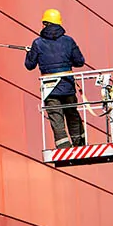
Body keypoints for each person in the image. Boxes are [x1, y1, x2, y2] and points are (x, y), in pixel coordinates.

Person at [24, 8, 86, 149]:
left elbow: (29, 65)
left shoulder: (37, 43)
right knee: (72, 113)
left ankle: (63, 147)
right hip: (67, 86)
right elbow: (79, 62)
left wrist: (29, 53)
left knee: (55, 116)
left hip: (49, 88)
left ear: (44, 24)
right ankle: (79, 143)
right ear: (59, 23)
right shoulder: (69, 41)